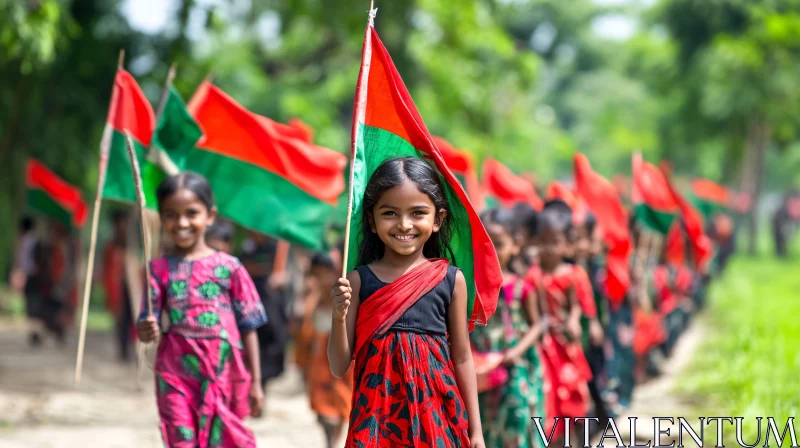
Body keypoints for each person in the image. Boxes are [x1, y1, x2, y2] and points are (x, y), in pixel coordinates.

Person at [328, 157, 486, 447]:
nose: (404, 224)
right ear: (372, 221)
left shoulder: (450, 280)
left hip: (436, 414)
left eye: (417, 213)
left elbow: (462, 357)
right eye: (390, 213)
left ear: (437, 220)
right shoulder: (358, 280)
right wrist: (338, 317)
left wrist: (476, 430)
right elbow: (339, 366)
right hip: (376, 417)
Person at [136, 172, 268, 448]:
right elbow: (147, 326)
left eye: (191, 213)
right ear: (161, 217)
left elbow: (249, 325)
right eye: (171, 214)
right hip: (174, 370)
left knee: (220, 440)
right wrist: (146, 327)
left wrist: (256, 381)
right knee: (181, 439)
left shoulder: (230, 267)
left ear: (210, 215)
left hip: (221, 371)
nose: (182, 223)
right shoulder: (158, 270)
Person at [470, 207, 545, 448]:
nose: (491, 252)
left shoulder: (520, 287)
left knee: (516, 420)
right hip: (481, 371)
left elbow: (538, 324)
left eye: (499, 244)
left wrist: (517, 351)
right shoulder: (470, 288)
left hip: (515, 368)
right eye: (485, 245)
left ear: (515, 245)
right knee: (485, 425)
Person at [527, 200, 592, 442]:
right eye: (543, 241)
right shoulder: (533, 276)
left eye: (555, 242)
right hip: (544, 346)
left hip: (565, 345)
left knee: (571, 397)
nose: (549, 249)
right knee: (550, 401)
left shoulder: (570, 275)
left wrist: (575, 322)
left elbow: (575, 307)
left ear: (565, 245)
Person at [306, 250, 353, 448]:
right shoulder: (313, 298)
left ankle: (333, 442)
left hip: (340, 366)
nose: (319, 278)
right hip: (319, 366)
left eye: (324, 272)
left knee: (341, 404)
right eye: (316, 274)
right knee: (322, 410)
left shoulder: (346, 294)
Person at [102, 209, 134, 361]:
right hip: (117, 288)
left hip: (132, 288)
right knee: (120, 320)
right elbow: (106, 271)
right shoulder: (110, 248)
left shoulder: (132, 246)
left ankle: (131, 347)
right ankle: (123, 350)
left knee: (132, 319)